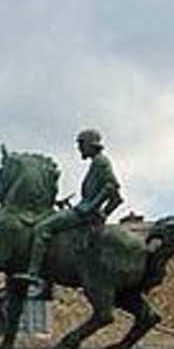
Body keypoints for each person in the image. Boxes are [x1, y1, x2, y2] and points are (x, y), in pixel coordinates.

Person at [22, 128, 122, 298]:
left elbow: (113, 189)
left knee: (42, 228)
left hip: (83, 213)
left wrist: (93, 209)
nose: (79, 149)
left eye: (81, 144)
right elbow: (114, 196)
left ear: (91, 145)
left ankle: (33, 275)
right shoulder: (97, 162)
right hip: (83, 209)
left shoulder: (101, 162)